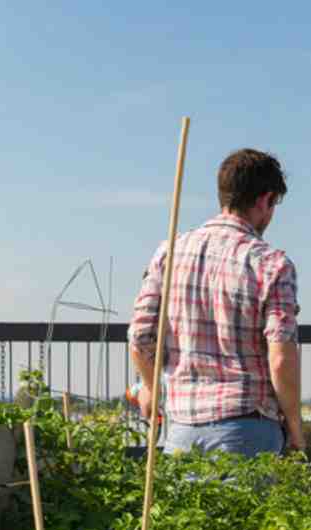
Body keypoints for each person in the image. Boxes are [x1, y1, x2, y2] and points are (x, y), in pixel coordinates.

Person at [128, 149, 301, 457]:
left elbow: (140, 336)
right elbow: (280, 358)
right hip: (249, 428)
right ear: (265, 200)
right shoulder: (272, 265)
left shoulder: (169, 253)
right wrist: (296, 427)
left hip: (182, 428)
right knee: (250, 508)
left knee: (186, 507)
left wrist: (151, 387)